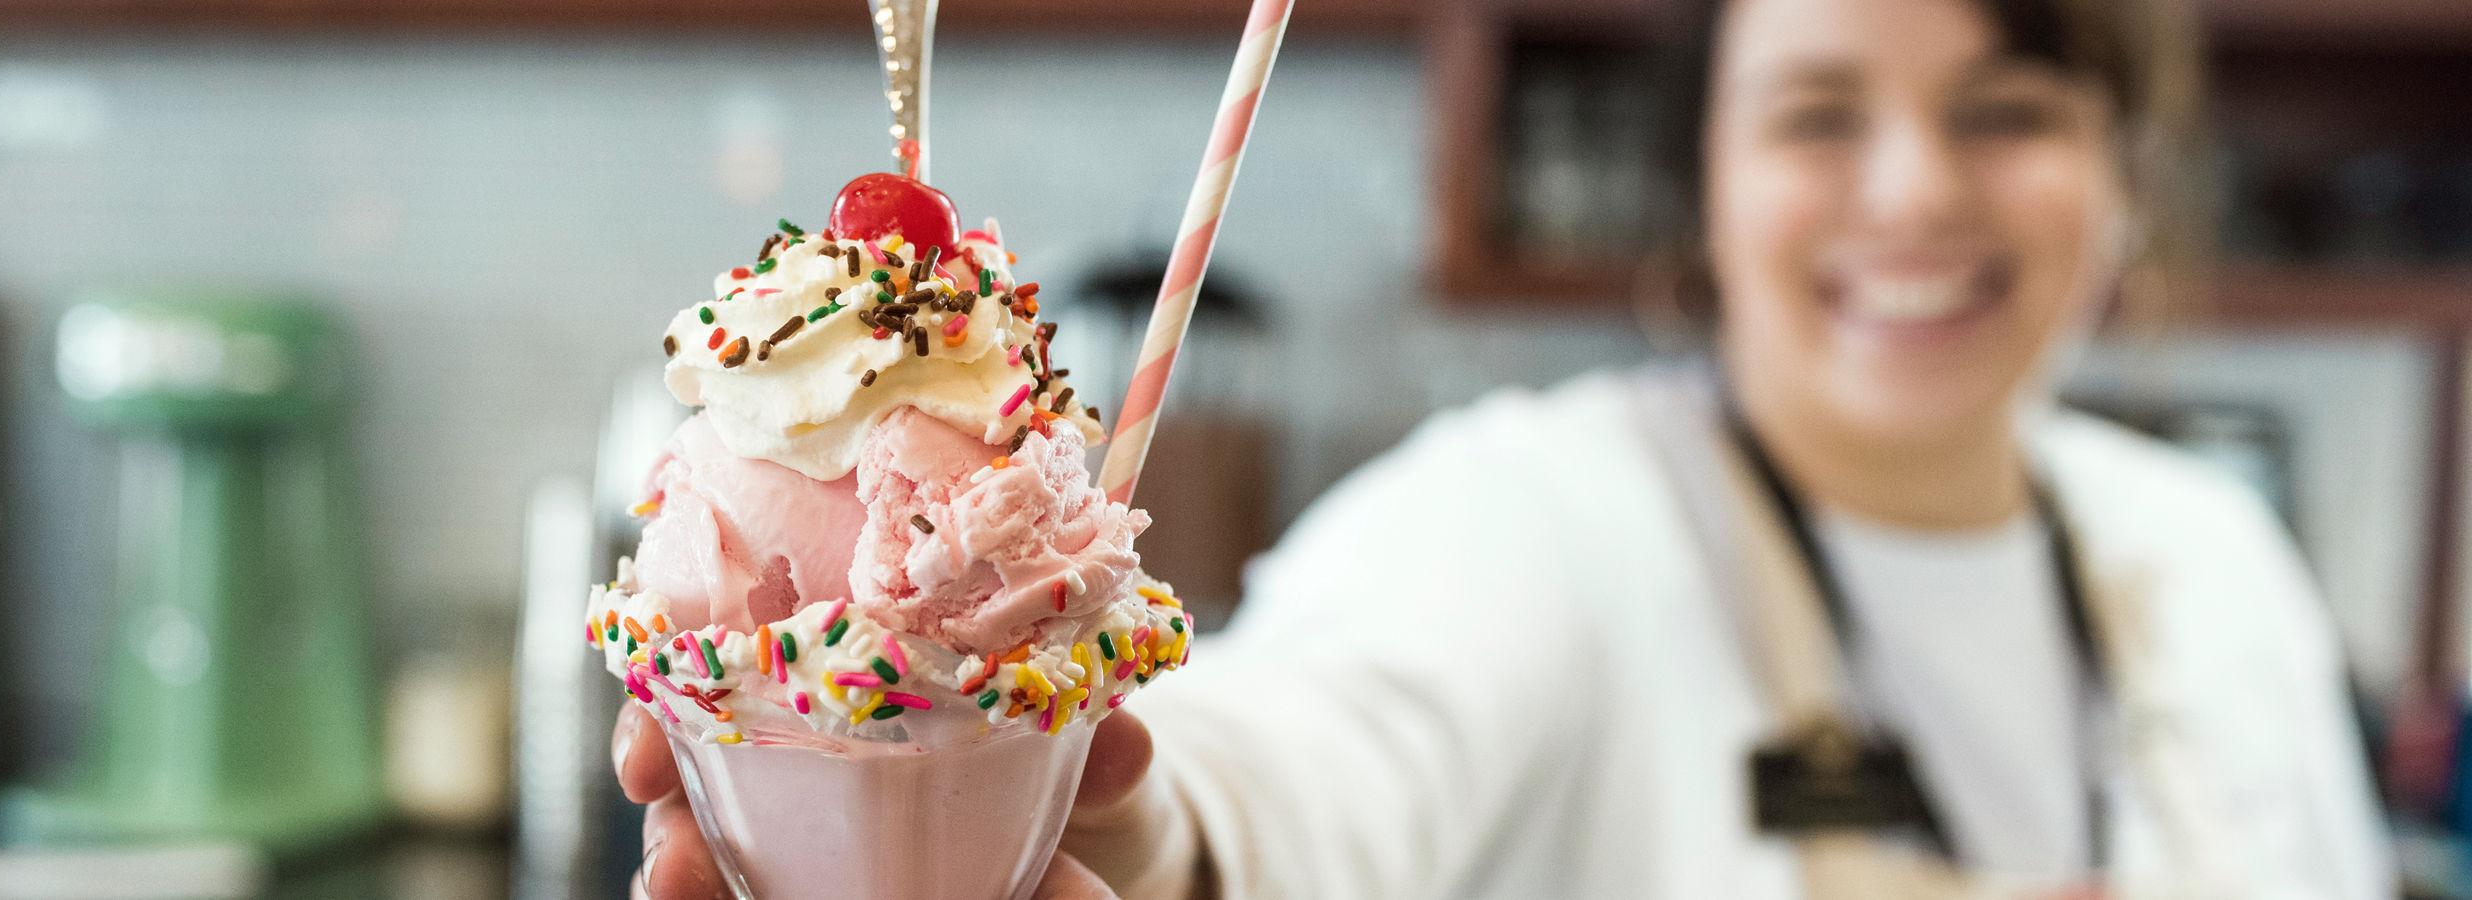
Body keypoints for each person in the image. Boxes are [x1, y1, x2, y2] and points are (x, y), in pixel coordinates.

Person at [616, 0, 2396, 894]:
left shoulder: (2215, 565)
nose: (1915, 189)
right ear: (1703, 175)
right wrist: (1112, 831)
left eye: (2007, 113)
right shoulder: (1553, 519)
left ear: (2128, 169)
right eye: (1819, 113)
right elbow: (1294, 771)